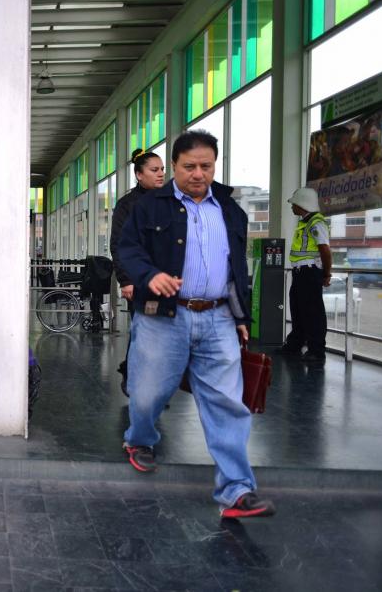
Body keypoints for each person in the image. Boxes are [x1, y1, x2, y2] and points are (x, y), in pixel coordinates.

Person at [117, 130, 275, 519]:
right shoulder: (149, 206)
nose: (199, 173)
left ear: (215, 165)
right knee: (147, 393)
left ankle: (237, 490)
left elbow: (237, 268)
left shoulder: (230, 209)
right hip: (163, 315)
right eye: (189, 166)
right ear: (174, 166)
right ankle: (140, 439)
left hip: (218, 317)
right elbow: (126, 248)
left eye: (206, 165)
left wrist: (240, 316)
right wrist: (149, 275)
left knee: (227, 403)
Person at [111, 149, 165, 396]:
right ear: (139, 175)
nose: (161, 174)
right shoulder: (127, 206)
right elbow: (119, 244)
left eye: (162, 169)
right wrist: (126, 280)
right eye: (154, 170)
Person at [278, 187, 331, 364]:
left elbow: (325, 250)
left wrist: (326, 274)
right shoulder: (305, 222)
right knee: (298, 309)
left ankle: (317, 351)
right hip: (300, 273)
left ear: (302, 204)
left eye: (294, 204)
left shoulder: (316, 222)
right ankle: (295, 344)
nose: (292, 207)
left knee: (313, 312)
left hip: (310, 272)